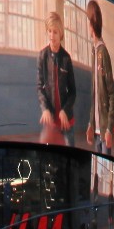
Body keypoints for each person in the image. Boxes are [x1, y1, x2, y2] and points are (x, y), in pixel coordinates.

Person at [37, 10, 76, 146]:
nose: (52, 36)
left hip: (66, 121)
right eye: (49, 31)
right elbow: (39, 87)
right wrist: (45, 109)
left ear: (61, 34)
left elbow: (73, 92)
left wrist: (65, 110)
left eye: (55, 32)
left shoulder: (66, 58)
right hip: (50, 121)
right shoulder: (42, 56)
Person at [86, 0, 114, 154]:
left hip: (105, 133)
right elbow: (94, 95)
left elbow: (111, 93)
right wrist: (91, 123)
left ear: (92, 25)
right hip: (97, 132)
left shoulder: (102, 52)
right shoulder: (94, 52)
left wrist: (110, 128)